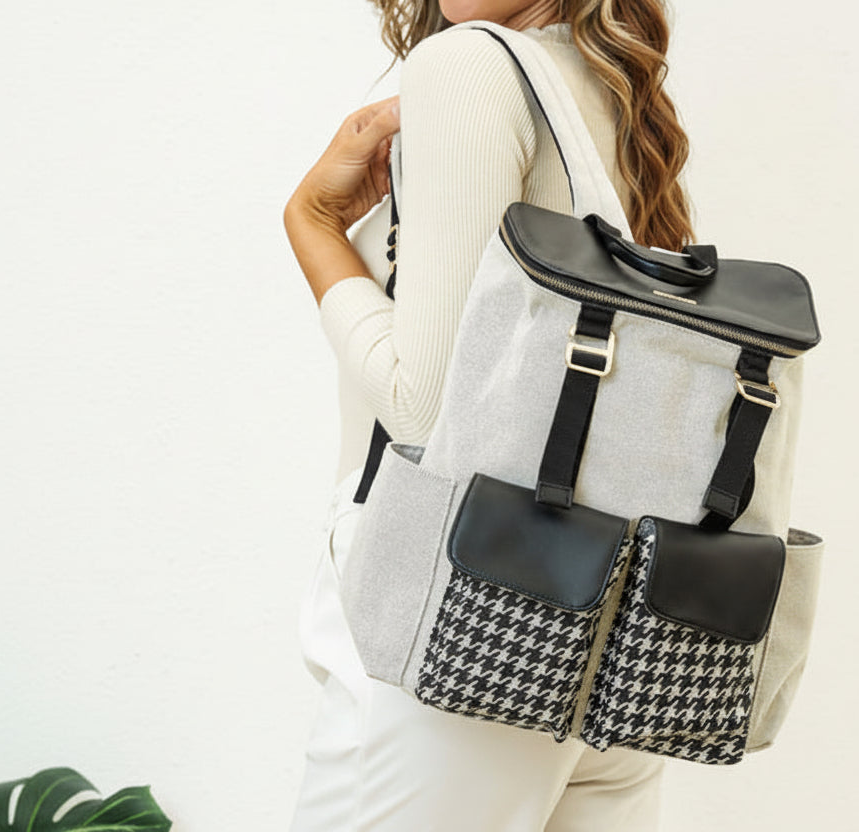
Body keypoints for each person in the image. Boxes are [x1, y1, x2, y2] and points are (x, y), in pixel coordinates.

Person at [282, 1, 697, 828]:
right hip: (618, 630)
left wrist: (314, 225)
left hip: (459, 613)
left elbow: (424, 410)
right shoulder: (615, 88)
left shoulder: (467, 67)